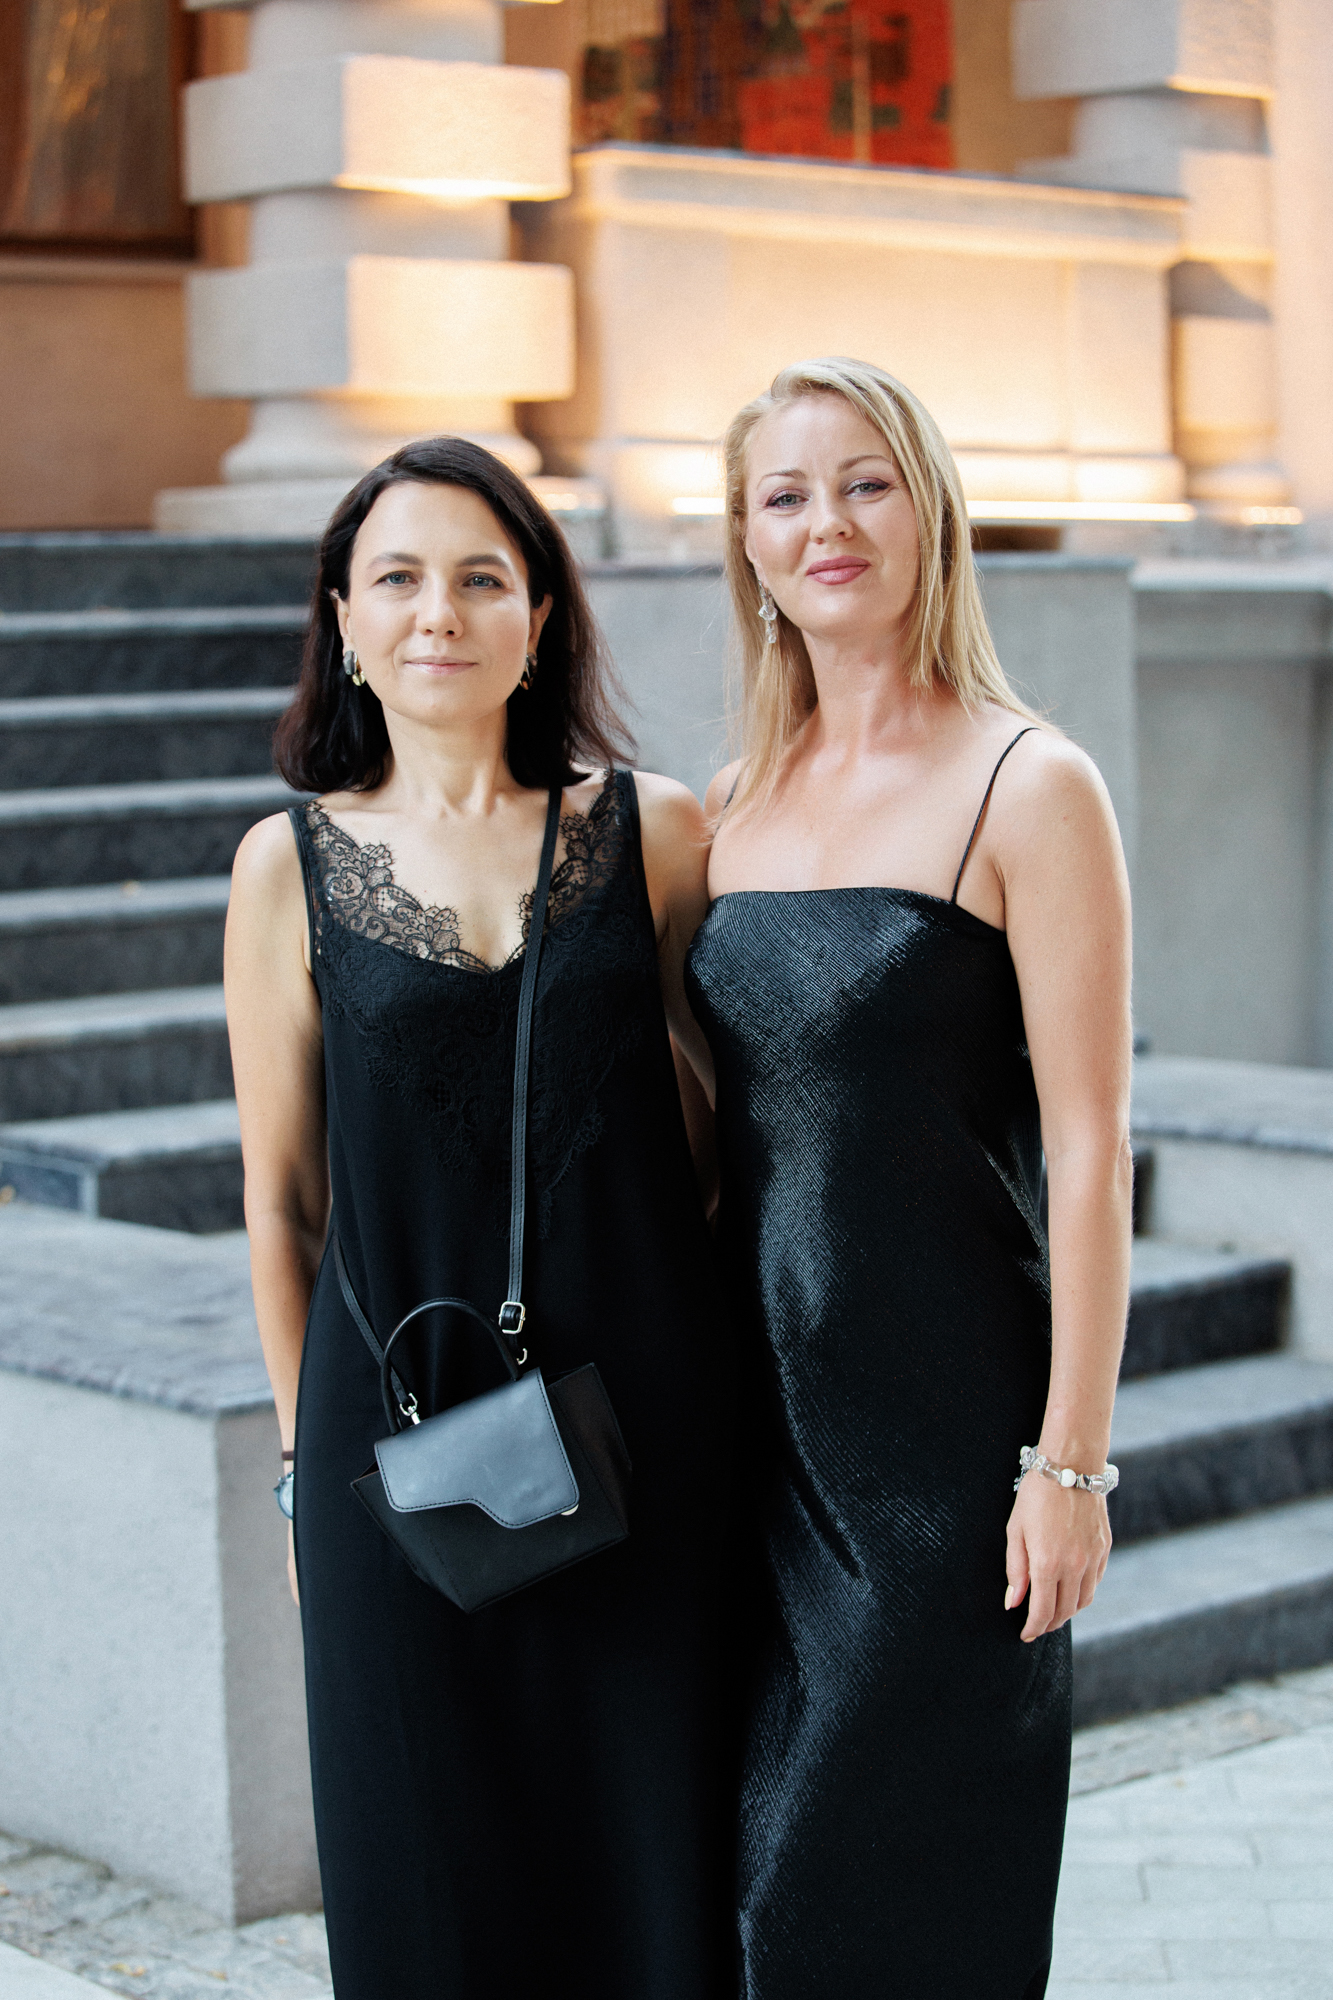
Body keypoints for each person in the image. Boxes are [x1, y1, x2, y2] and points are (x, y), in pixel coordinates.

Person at [224, 437, 735, 1999]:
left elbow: (721, 1131)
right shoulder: (284, 868)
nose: (436, 611)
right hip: (395, 1454)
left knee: (651, 1874)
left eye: (479, 578)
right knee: (425, 1881)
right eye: (397, 578)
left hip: (644, 1438)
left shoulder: (656, 832)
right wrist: (301, 1478)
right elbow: (282, 1199)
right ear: (345, 621)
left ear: (539, 618)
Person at [686, 358, 1132, 1998]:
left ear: (929, 509)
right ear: (747, 543)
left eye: (864, 482)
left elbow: (1089, 1149)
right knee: (744, 1891)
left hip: (938, 1452)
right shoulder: (728, 803)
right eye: (786, 494)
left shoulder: (1030, 783)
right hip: (749, 1428)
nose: (828, 523)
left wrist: (1066, 1463)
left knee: (877, 1884)